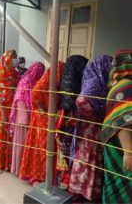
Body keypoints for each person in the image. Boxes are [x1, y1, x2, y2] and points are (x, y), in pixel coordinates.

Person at [69, 55, 113, 201]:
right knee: (88, 160)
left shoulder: (99, 82)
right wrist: (96, 114)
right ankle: (84, 193)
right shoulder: (95, 83)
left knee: (89, 160)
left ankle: (85, 193)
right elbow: (81, 101)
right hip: (90, 132)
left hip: (91, 132)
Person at [19, 62, 63, 184]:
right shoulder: (44, 82)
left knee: (44, 147)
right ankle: (38, 176)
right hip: (41, 119)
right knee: (42, 146)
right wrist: (43, 110)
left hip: (46, 118)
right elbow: (35, 94)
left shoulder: (55, 84)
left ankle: (43, 175)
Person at [101, 50, 132, 204]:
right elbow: (123, 120)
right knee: (122, 186)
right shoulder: (125, 86)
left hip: (117, 145)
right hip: (121, 147)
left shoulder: (118, 84)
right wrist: (129, 152)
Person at [56, 55, 88, 189]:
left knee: (65, 153)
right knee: (69, 153)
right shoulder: (75, 85)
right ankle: (65, 184)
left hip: (64, 119)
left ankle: (63, 183)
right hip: (69, 121)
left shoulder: (66, 80)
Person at [9, 62, 44, 176]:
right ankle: (19, 169)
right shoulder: (27, 82)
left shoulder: (28, 80)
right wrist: (26, 119)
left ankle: (19, 168)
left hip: (24, 117)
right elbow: (20, 100)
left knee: (21, 143)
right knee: (22, 143)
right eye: (41, 71)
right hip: (23, 119)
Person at [0, 50, 21, 174]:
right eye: (13, 58)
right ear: (7, 59)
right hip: (1, 110)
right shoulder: (1, 75)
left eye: (16, 58)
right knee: (0, 136)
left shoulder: (14, 73)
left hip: (12, 110)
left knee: (10, 135)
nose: (15, 60)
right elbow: (0, 97)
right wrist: (3, 113)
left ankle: (8, 163)